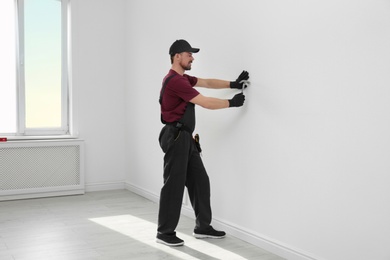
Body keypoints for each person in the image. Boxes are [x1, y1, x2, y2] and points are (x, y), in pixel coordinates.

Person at [157, 39, 249, 246]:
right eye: (189, 54)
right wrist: (231, 103)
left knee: (200, 181)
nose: (193, 57)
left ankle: (203, 227)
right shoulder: (175, 81)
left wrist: (232, 84)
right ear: (177, 56)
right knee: (174, 185)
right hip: (176, 136)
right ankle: (164, 232)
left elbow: (207, 82)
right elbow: (205, 101)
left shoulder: (183, 79)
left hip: (185, 137)